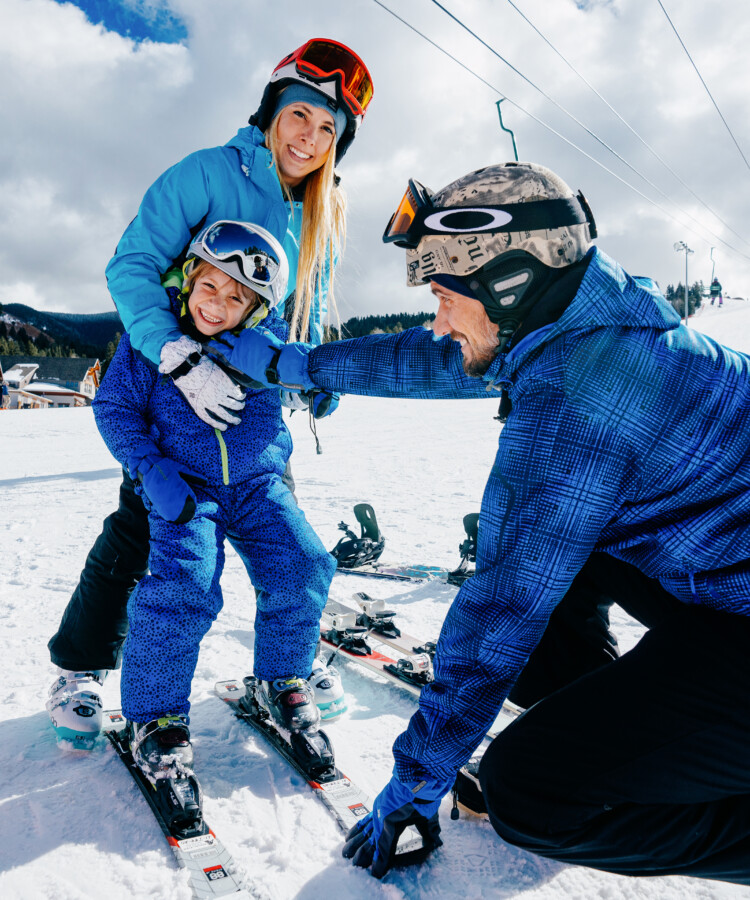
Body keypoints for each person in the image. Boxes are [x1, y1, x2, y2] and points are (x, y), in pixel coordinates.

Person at [213, 162, 750, 885]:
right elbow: (441, 358)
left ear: (510, 284)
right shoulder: (592, 320)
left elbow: (501, 606)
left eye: (442, 296)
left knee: (531, 795)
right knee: (561, 583)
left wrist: (416, 782)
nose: (437, 318)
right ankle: (631, 742)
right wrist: (297, 364)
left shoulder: (577, 394)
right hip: (725, 584)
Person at [46, 38, 374, 750]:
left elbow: (306, 313)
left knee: (281, 534)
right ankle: (82, 665)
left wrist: (310, 377)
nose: (309, 138)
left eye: (328, 131)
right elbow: (132, 265)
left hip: (251, 409)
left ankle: (282, 668)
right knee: (145, 528)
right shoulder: (206, 173)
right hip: (165, 382)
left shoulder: (324, 212)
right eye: (300, 115)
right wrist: (176, 355)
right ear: (271, 111)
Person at [90, 221, 340, 786]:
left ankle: (283, 679)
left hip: (258, 484)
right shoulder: (150, 340)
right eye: (210, 287)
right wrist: (148, 466)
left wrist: (318, 386)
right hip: (184, 489)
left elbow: (299, 372)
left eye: (236, 298)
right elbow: (114, 408)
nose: (218, 304)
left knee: (303, 565)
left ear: (254, 309)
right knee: (186, 585)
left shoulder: (264, 340)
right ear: (187, 281)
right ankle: (156, 716)